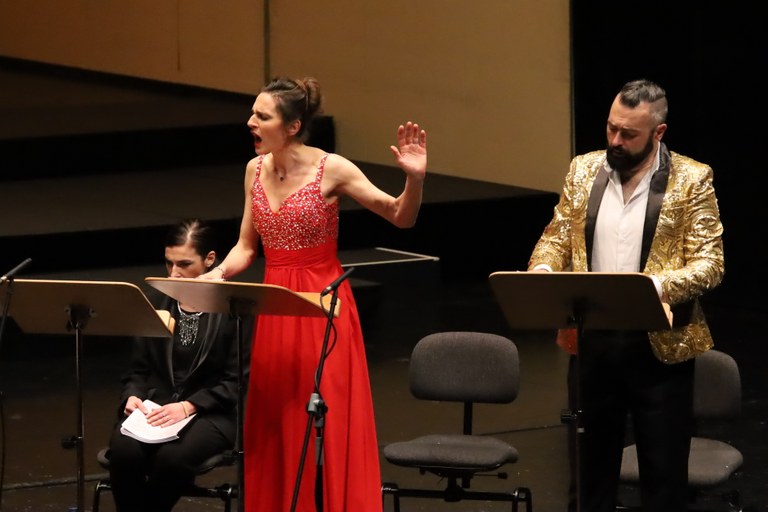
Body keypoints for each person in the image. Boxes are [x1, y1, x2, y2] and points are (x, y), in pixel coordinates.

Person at [198, 76, 426, 512]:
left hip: (324, 308)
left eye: (262, 116)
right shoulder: (254, 170)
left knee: (330, 420)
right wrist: (218, 274)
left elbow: (401, 216)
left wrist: (413, 180)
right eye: (252, 113)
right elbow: (246, 247)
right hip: (274, 307)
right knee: (277, 421)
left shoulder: (332, 168)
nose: (250, 122)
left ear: (292, 126)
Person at [528, 79, 724, 512]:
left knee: (663, 477)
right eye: (611, 128)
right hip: (591, 343)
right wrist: (544, 272)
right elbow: (556, 239)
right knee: (588, 476)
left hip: (659, 347)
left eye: (628, 133)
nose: (615, 140)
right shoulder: (583, 169)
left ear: (658, 132)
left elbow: (710, 264)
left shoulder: (692, 179)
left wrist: (653, 287)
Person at [106, 218, 250, 512]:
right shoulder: (155, 300)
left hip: (210, 412)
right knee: (123, 452)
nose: (174, 273)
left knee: (171, 458)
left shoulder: (235, 309)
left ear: (210, 260)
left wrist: (187, 406)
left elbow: (235, 381)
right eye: (169, 263)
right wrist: (132, 396)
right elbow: (137, 370)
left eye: (184, 264)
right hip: (156, 408)